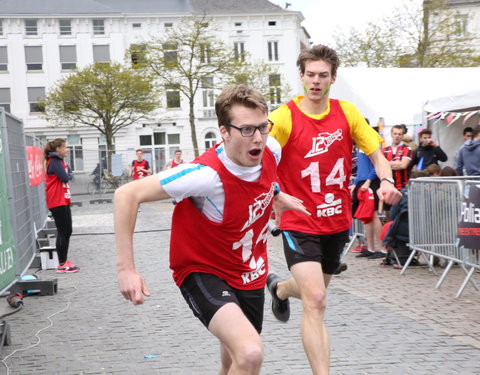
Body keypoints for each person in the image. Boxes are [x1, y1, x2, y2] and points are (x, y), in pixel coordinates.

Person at [115, 85, 309, 375]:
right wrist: (126, 269)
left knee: (233, 360)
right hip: (203, 268)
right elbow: (126, 195)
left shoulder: (272, 149)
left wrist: (275, 193)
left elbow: (263, 180)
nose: (257, 137)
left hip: (249, 270)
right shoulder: (204, 176)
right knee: (250, 352)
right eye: (245, 130)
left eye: (261, 127)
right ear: (224, 132)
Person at [267, 45, 401, 375]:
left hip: (337, 221)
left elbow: (376, 152)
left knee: (315, 290)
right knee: (315, 300)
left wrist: (385, 179)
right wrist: (274, 194)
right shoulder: (285, 116)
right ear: (301, 76)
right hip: (298, 219)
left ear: (332, 78)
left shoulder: (347, 112)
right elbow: (258, 157)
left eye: (322, 76)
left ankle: (281, 288)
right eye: (310, 75)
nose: (315, 81)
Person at [44, 138, 79, 273]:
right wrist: (69, 175)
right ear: (58, 149)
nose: (67, 150)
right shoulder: (55, 161)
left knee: (66, 231)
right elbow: (66, 177)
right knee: (64, 231)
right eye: (65, 147)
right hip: (56, 200)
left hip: (63, 200)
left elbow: (69, 174)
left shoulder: (61, 161)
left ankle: (63, 261)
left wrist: (69, 174)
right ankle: (62, 263)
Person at [351, 125, 385, 260]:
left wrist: (369, 181)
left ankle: (382, 248)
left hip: (370, 182)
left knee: (374, 215)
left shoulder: (371, 143)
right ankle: (370, 248)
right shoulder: (360, 145)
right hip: (362, 182)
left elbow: (377, 165)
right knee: (367, 217)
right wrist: (355, 184)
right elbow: (362, 168)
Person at [383, 125, 412, 190]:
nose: (397, 136)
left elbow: (403, 165)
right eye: (395, 134)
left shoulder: (407, 149)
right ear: (391, 135)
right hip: (388, 187)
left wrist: (387, 164)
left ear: (402, 136)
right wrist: (397, 163)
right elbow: (381, 166)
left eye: (399, 134)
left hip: (402, 187)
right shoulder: (384, 150)